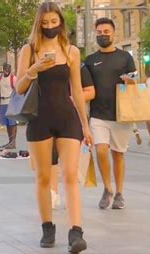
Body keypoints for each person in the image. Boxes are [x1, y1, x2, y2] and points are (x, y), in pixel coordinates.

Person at [16, 2, 92, 254]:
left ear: (61, 22)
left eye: (53, 22)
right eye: (45, 23)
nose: (49, 27)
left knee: (70, 175)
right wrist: (33, 69)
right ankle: (47, 226)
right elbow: (19, 88)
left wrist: (85, 124)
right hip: (39, 118)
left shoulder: (71, 50)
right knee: (43, 177)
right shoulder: (29, 49)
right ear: (39, 24)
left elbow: (77, 91)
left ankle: (76, 231)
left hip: (67, 117)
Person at [85, 17, 136, 210]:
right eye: (99, 32)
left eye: (106, 32)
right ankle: (107, 188)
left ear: (114, 33)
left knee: (118, 154)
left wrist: (129, 80)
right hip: (98, 114)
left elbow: (134, 78)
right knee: (101, 150)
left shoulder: (125, 57)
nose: (102, 35)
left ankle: (120, 193)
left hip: (121, 114)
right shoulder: (90, 60)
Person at [48, 63, 96, 209]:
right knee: (51, 156)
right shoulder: (45, 61)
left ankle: (71, 195)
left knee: (71, 160)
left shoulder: (79, 67)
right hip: (48, 115)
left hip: (72, 116)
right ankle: (52, 193)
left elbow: (90, 92)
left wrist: (70, 98)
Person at [0, 64, 18, 149]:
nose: (6, 70)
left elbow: (18, 90)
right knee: (7, 123)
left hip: (11, 101)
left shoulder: (13, 78)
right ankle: (9, 142)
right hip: (3, 102)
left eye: (8, 69)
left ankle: (13, 142)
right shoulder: (0, 78)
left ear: (10, 69)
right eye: (5, 69)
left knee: (12, 123)